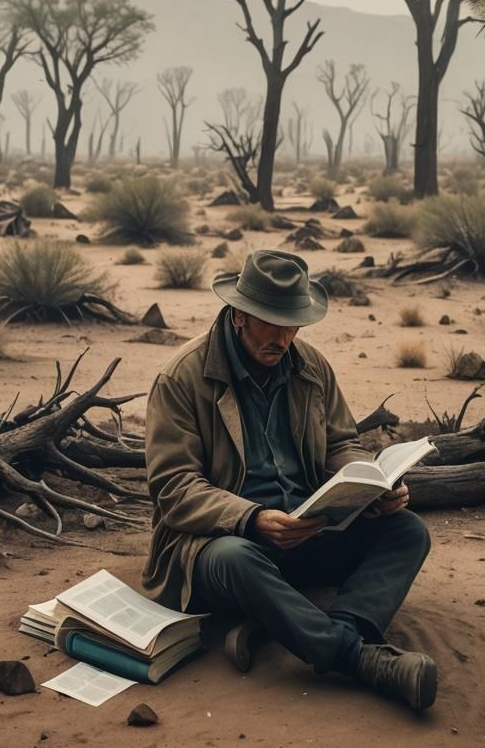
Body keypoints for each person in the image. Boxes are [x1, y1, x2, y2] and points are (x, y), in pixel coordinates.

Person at [141, 249, 437, 710]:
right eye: (270, 322)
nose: (283, 337)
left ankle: (288, 627)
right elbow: (174, 489)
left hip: (306, 531)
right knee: (239, 559)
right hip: (216, 544)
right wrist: (253, 517)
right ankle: (357, 657)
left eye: (292, 322)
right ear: (239, 314)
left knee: (407, 530)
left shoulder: (310, 366)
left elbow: (341, 443)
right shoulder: (182, 377)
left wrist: (372, 485)